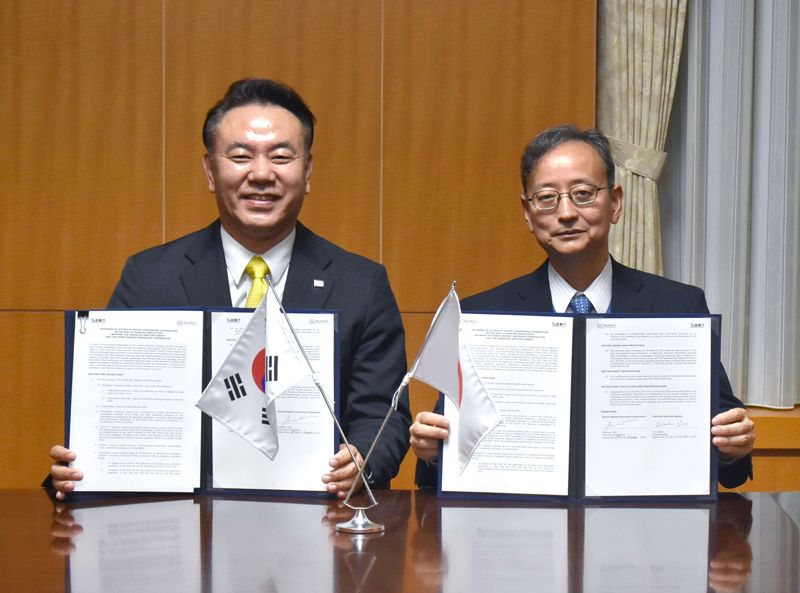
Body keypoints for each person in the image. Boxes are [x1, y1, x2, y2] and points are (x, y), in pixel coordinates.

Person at [48, 79, 411, 500]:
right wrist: (81, 463)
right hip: (183, 523)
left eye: (281, 157)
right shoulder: (150, 277)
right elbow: (118, 406)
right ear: (209, 170)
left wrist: (362, 457)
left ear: (307, 171)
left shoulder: (361, 284)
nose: (261, 174)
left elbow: (384, 414)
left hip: (317, 518)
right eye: (240, 156)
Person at [411, 124, 755, 489]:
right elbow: (440, 466)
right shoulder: (482, 317)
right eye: (546, 198)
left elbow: (727, 462)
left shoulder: (678, 307)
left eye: (583, 194)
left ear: (616, 203)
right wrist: (432, 452)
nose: (566, 213)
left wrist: (733, 446)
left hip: (645, 530)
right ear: (528, 214)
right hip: (520, 530)